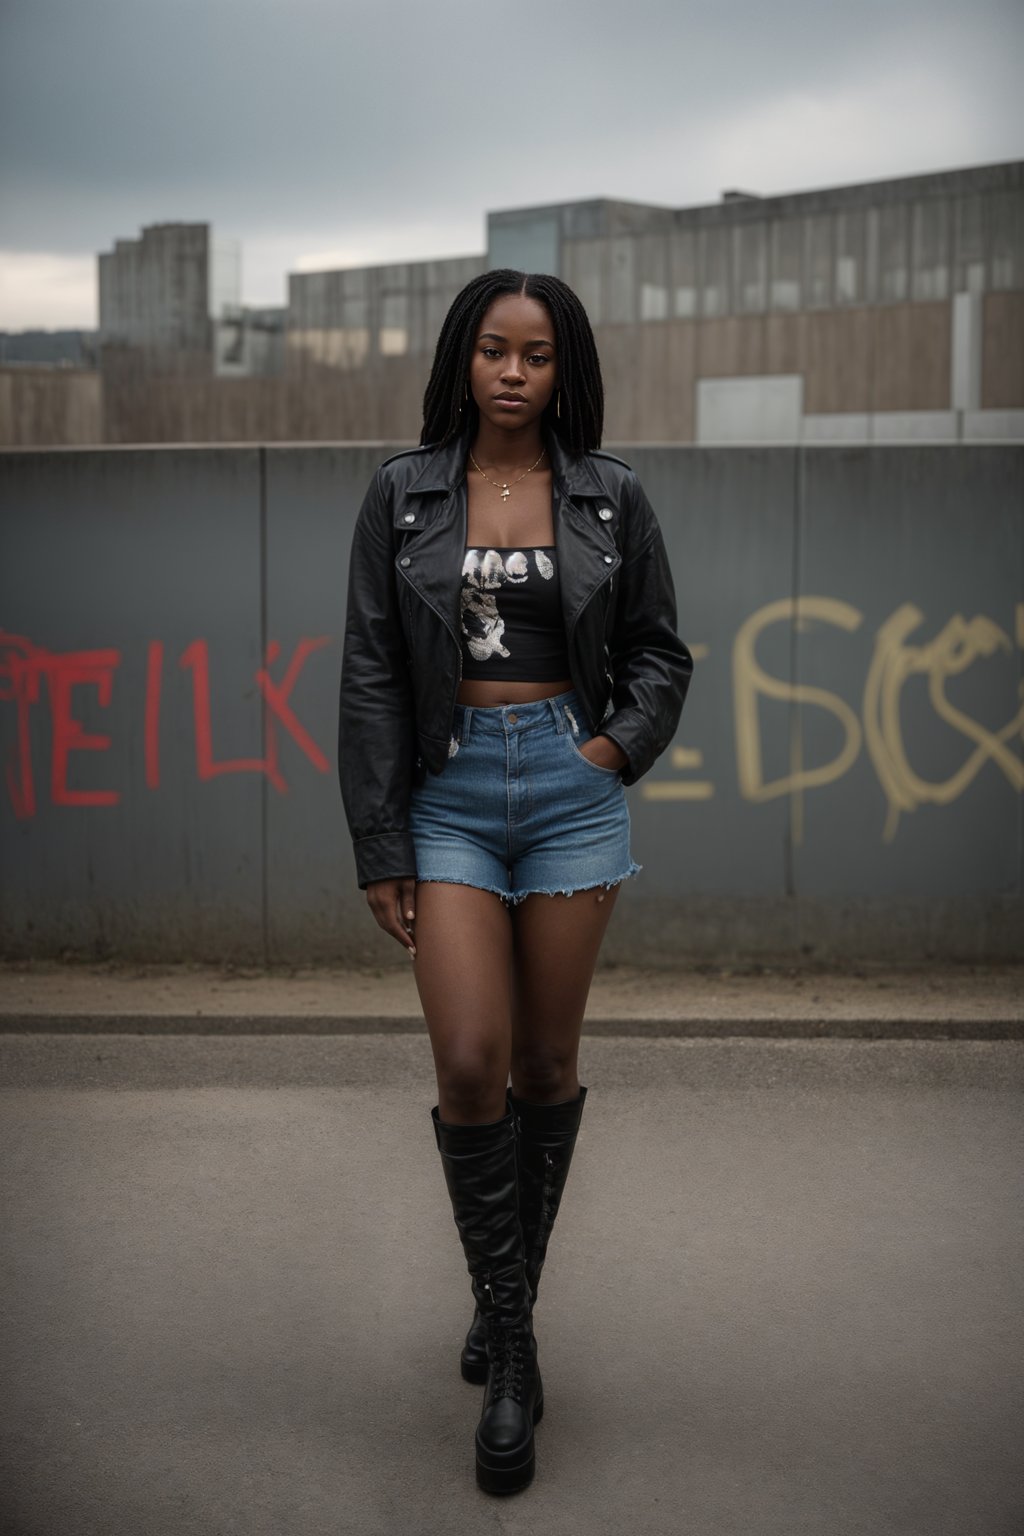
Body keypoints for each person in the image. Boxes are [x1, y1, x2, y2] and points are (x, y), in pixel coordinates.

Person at [337, 269, 693, 1494]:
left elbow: (659, 652)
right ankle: (520, 1352)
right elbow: (374, 672)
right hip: (445, 796)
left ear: (562, 371)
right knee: (471, 1062)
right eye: (492, 349)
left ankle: (504, 1317)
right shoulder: (401, 495)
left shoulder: (609, 497)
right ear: (461, 359)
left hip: (565, 787)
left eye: (535, 356)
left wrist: (608, 751)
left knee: (546, 1067)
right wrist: (381, 844)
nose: (511, 373)